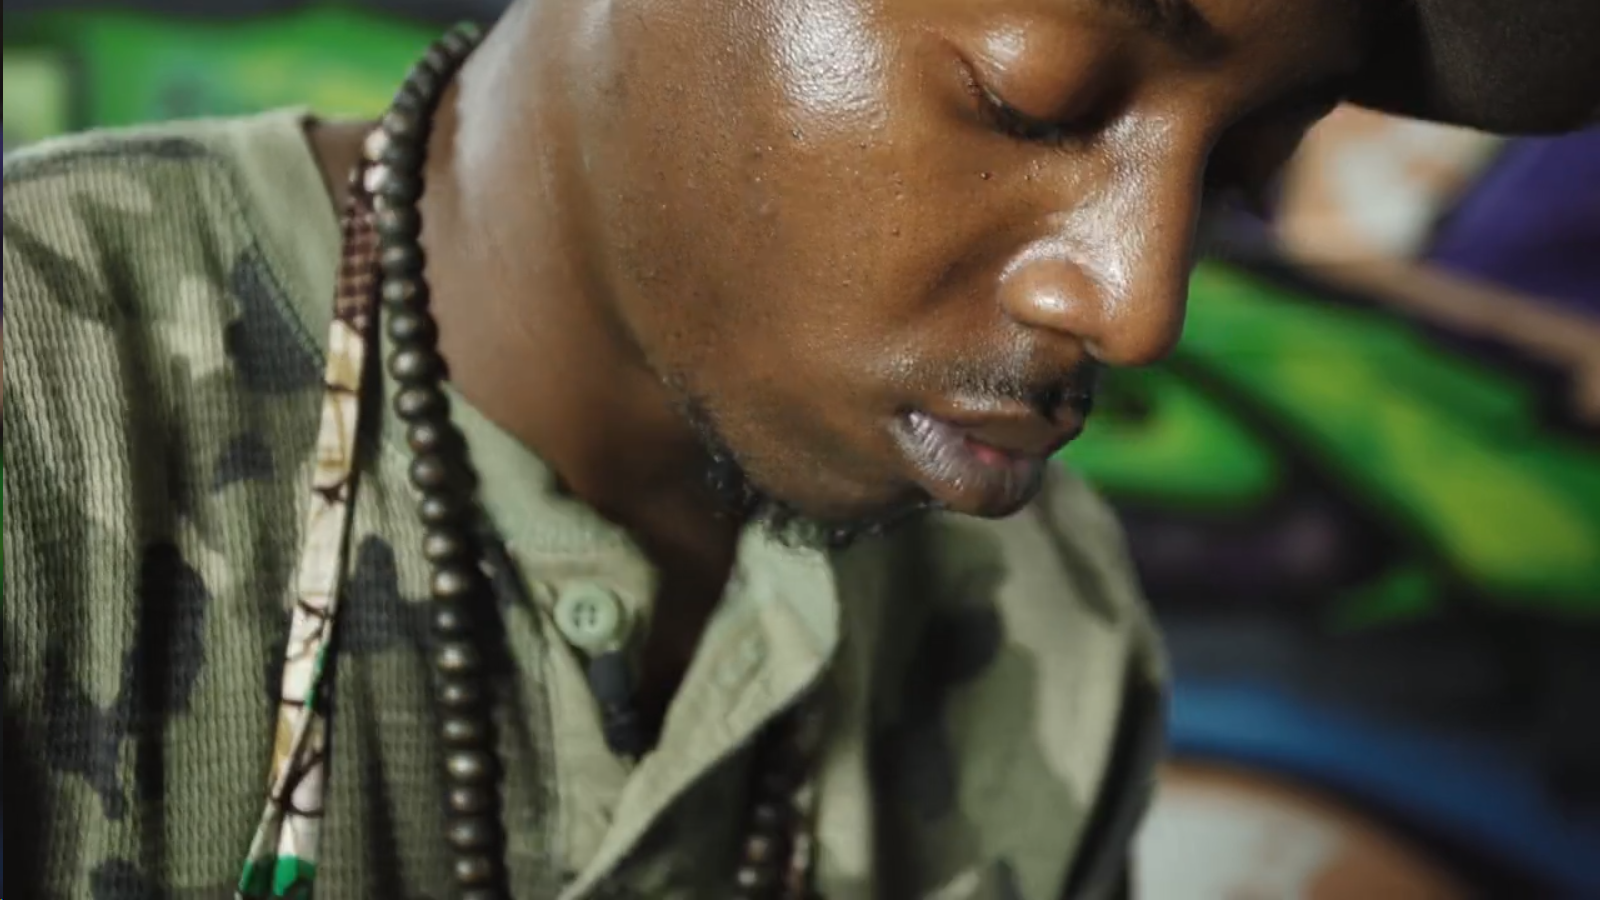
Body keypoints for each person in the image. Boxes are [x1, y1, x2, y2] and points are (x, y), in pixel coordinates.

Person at [3, 0, 1595, 897]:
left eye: (1245, 160)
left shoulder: (1049, 630)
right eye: (1033, 102)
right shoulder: (44, 414)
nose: (1137, 302)